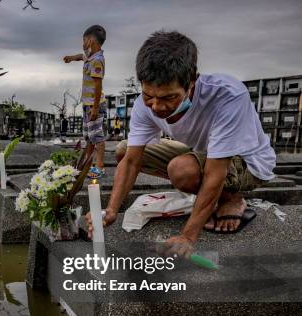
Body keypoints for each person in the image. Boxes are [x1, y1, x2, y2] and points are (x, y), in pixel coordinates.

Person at [86, 31, 276, 257]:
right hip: (203, 153)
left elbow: (215, 173)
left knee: (182, 170)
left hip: (249, 163)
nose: (156, 106)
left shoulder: (227, 96)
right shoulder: (143, 105)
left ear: (192, 82)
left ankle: (232, 198)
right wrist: (110, 210)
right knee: (124, 150)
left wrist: (188, 236)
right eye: (149, 96)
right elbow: (131, 161)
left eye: (169, 98)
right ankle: (210, 195)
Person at [63, 24, 107, 179]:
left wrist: (95, 108)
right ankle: (86, 164)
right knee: (88, 137)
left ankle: (99, 167)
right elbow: (80, 56)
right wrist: (71, 58)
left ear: (89, 41)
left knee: (97, 136)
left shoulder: (97, 61)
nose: (82, 45)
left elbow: (98, 85)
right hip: (87, 104)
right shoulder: (89, 57)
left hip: (95, 105)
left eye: (83, 41)